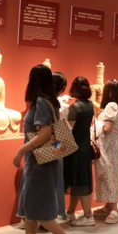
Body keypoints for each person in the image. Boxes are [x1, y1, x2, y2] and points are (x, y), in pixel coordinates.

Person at [8, 65, 81, 234]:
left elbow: (45, 133)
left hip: (39, 163)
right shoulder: (49, 101)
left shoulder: (41, 102)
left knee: (37, 209)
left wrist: (21, 150)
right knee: (31, 207)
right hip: (41, 162)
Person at [63, 77, 94, 227]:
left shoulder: (75, 107)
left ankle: (88, 215)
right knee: (79, 180)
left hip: (75, 149)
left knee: (80, 182)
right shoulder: (90, 105)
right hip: (85, 146)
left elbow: (69, 129)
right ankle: (70, 212)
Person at [93, 80, 118, 224]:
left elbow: (107, 128)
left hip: (108, 145)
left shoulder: (111, 106)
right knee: (108, 173)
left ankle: (114, 209)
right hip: (112, 144)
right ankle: (108, 206)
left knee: (109, 173)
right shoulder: (117, 106)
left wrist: (95, 125)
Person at [52, 71, 68, 221]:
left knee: (54, 176)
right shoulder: (59, 105)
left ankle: (54, 211)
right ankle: (56, 211)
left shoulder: (45, 102)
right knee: (56, 175)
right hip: (55, 140)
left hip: (50, 141)